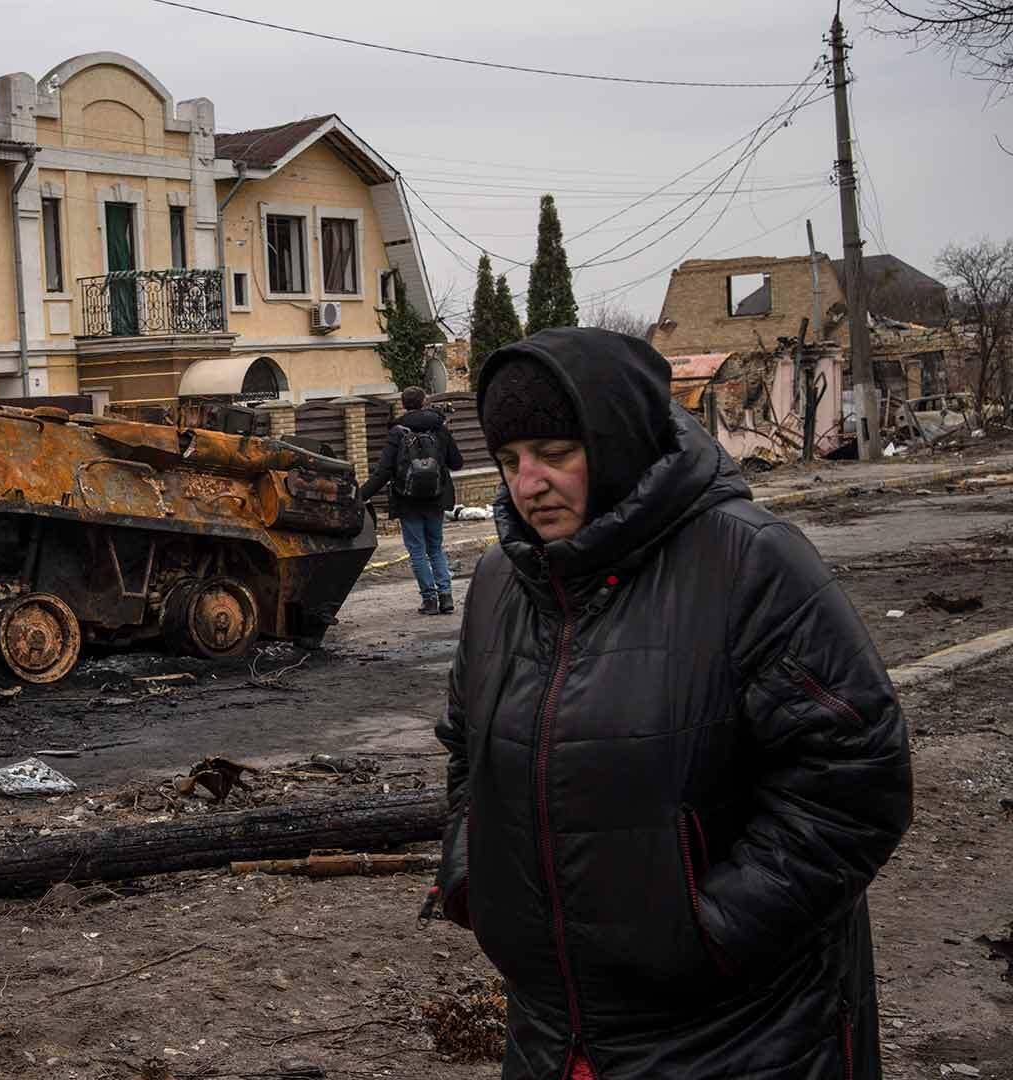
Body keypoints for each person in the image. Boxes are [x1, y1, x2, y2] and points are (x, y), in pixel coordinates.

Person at [426, 329, 912, 1080]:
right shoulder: (502, 581)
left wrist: (709, 929)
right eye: (509, 461)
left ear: (617, 441)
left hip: (738, 1036)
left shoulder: (747, 561)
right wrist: (472, 876)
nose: (529, 485)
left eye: (556, 454)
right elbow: (466, 749)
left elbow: (855, 777)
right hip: (554, 1037)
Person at [360, 386, 464, 614]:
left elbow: (383, 472)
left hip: (407, 501)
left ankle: (429, 601)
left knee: (417, 551)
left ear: (404, 404)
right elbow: (457, 463)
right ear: (425, 401)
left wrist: (360, 496)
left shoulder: (398, 432)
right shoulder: (439, 428)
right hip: (436, 498)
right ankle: (446, 597)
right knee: (435, 548)